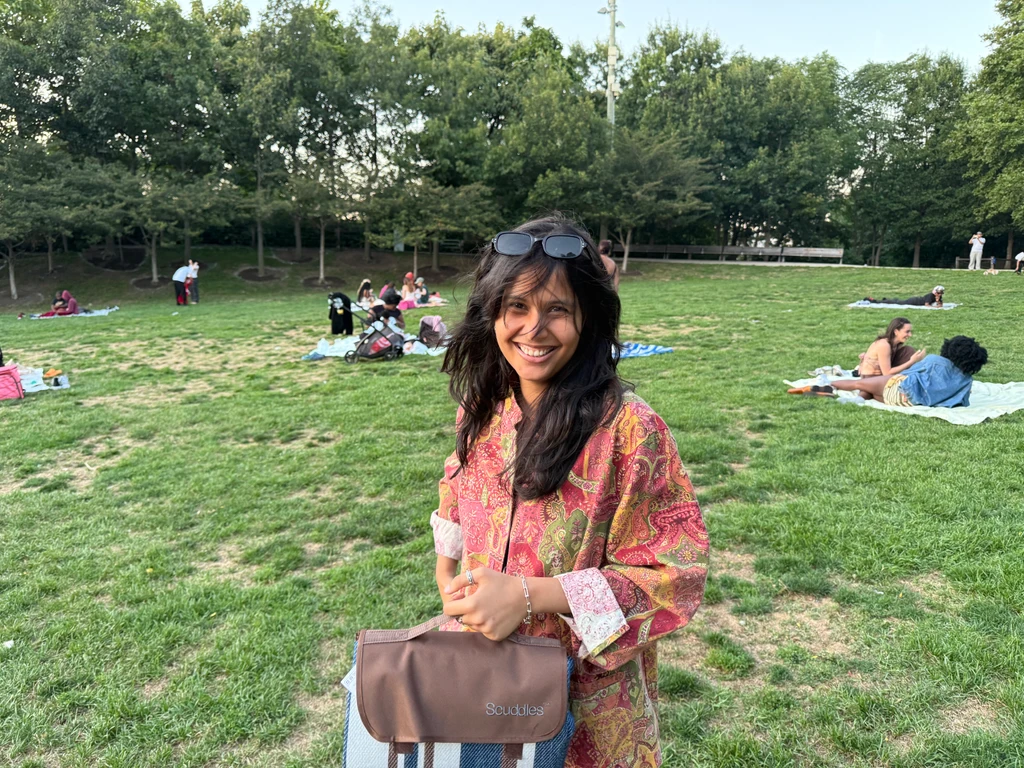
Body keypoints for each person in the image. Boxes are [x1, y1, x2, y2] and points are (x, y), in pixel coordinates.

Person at [433, 217, 709, 767]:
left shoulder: (632, 431)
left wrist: (528, 595)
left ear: (587, 317)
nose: (534, 329)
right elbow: (456, 487)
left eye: (556, 309)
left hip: (587, 712)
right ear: (492, 312)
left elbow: (673, 577)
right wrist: (448, 574)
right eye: (517, 306)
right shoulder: (484, 407)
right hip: (479, 682)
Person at [790, 336, 988, 408]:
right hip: (907, 402)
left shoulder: (935, 361)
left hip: (901, 389)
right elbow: (962, 402)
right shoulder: (966, 381)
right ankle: (859, 400)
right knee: (875, 388)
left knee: (860, 382)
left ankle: (825, 384)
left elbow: (908, 374)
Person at [854, 318, 927, 392]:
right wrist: (911, 361)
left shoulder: (895, 344)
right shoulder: (884, 345)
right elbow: (887, 373)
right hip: (871, 379)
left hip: (881, 377)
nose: (910, 335)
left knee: (908, 350)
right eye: (907, 332)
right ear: (896, 331)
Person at [863, 286, 944, 307]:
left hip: (915, 301)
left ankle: (887, 300)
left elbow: (940, 305)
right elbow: (927, 305)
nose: (940, 294)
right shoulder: (930, 296)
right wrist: (935, 306)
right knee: (897, 303)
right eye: (939, 293)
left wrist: (938, 301)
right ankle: (875, 301)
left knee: (897, 301)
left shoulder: (938, 297)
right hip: (914, 302)